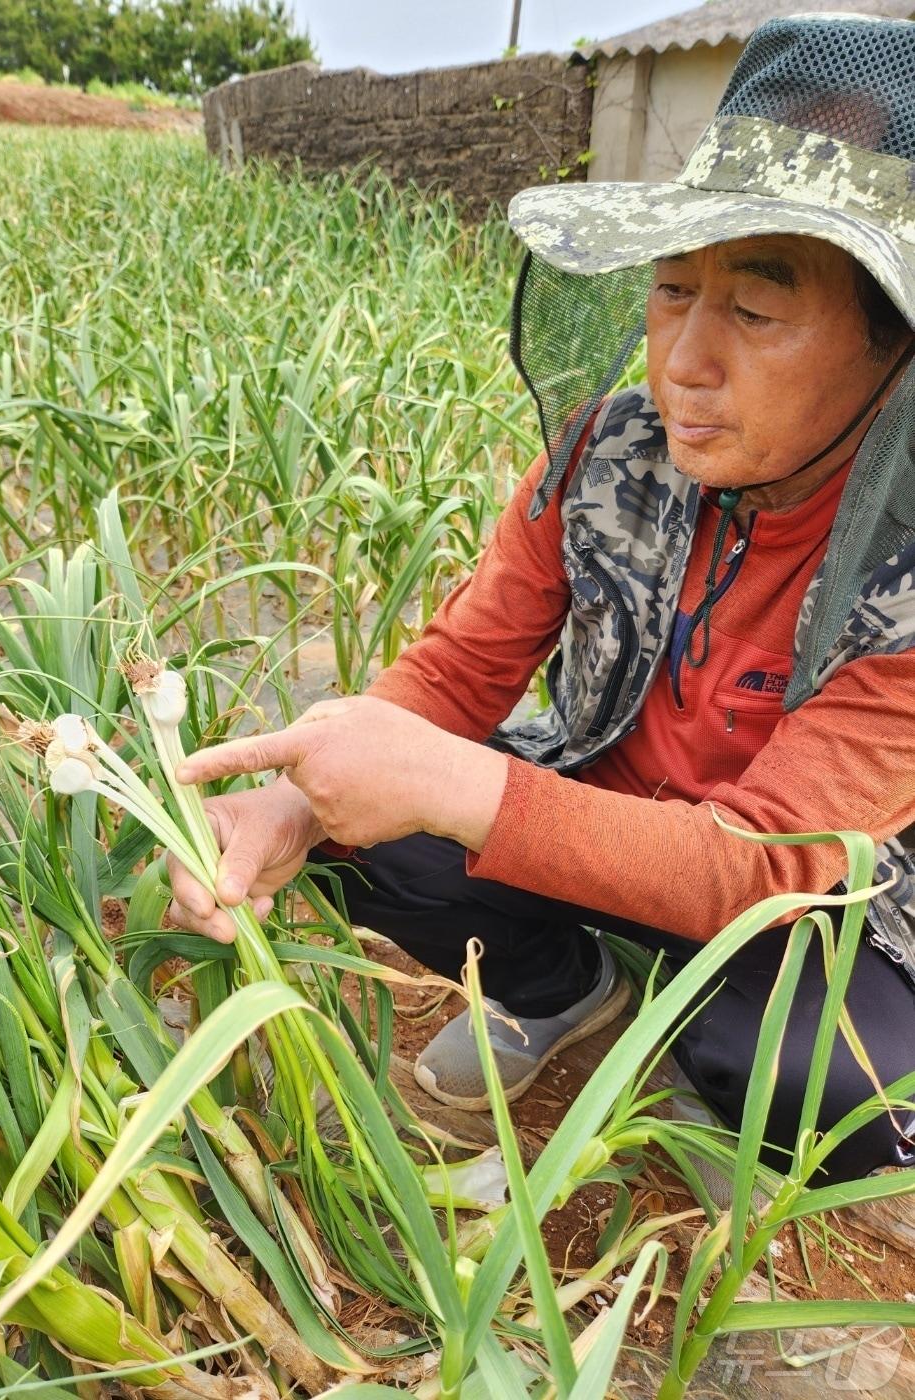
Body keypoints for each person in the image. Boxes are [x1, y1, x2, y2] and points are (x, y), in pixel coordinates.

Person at [168, 14, 915, 1184]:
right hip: (602, 817)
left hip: (823, 905)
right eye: (672, 292)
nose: (682, 362)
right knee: (370, 824)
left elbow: (772, 862)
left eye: (756, 312)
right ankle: (566, 987)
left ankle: (724, 1083)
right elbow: (461, 672)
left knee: (828, 1074)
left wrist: (459, 782)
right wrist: (293, 805)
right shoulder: (610, 451)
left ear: (893, 347)